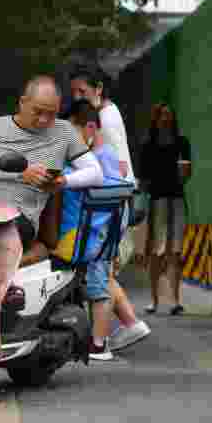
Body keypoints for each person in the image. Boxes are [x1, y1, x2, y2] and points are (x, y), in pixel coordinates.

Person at [0, 75, 103, 363]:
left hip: (17, 217)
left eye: (51, 113)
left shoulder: (64, 132)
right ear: (22, 102)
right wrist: (18, 172)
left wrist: (64, 181)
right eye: (38, 111)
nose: (44, 120)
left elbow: (95, 172)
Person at [62, 100, 151, 359]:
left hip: (97, 237)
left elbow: (112, 200)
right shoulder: (101, 157)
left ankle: (99, 346)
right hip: (95, 237)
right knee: (97, 285)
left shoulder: (103, 159)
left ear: (90, 128)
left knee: (98, 288)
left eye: (72, 132)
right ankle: (102, 338)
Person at [139, 103, 192, 315]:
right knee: (157, 252)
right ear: (156, 118)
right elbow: (142, 179)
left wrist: (183, 172)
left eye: (169, 115)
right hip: (156, 201)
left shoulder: (182, 143)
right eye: (162, 115)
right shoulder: (148, 145)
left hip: (177, 199)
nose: (166, 119)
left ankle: (174, 300)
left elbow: (187, 173)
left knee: (176, 252)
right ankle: (154, 300)